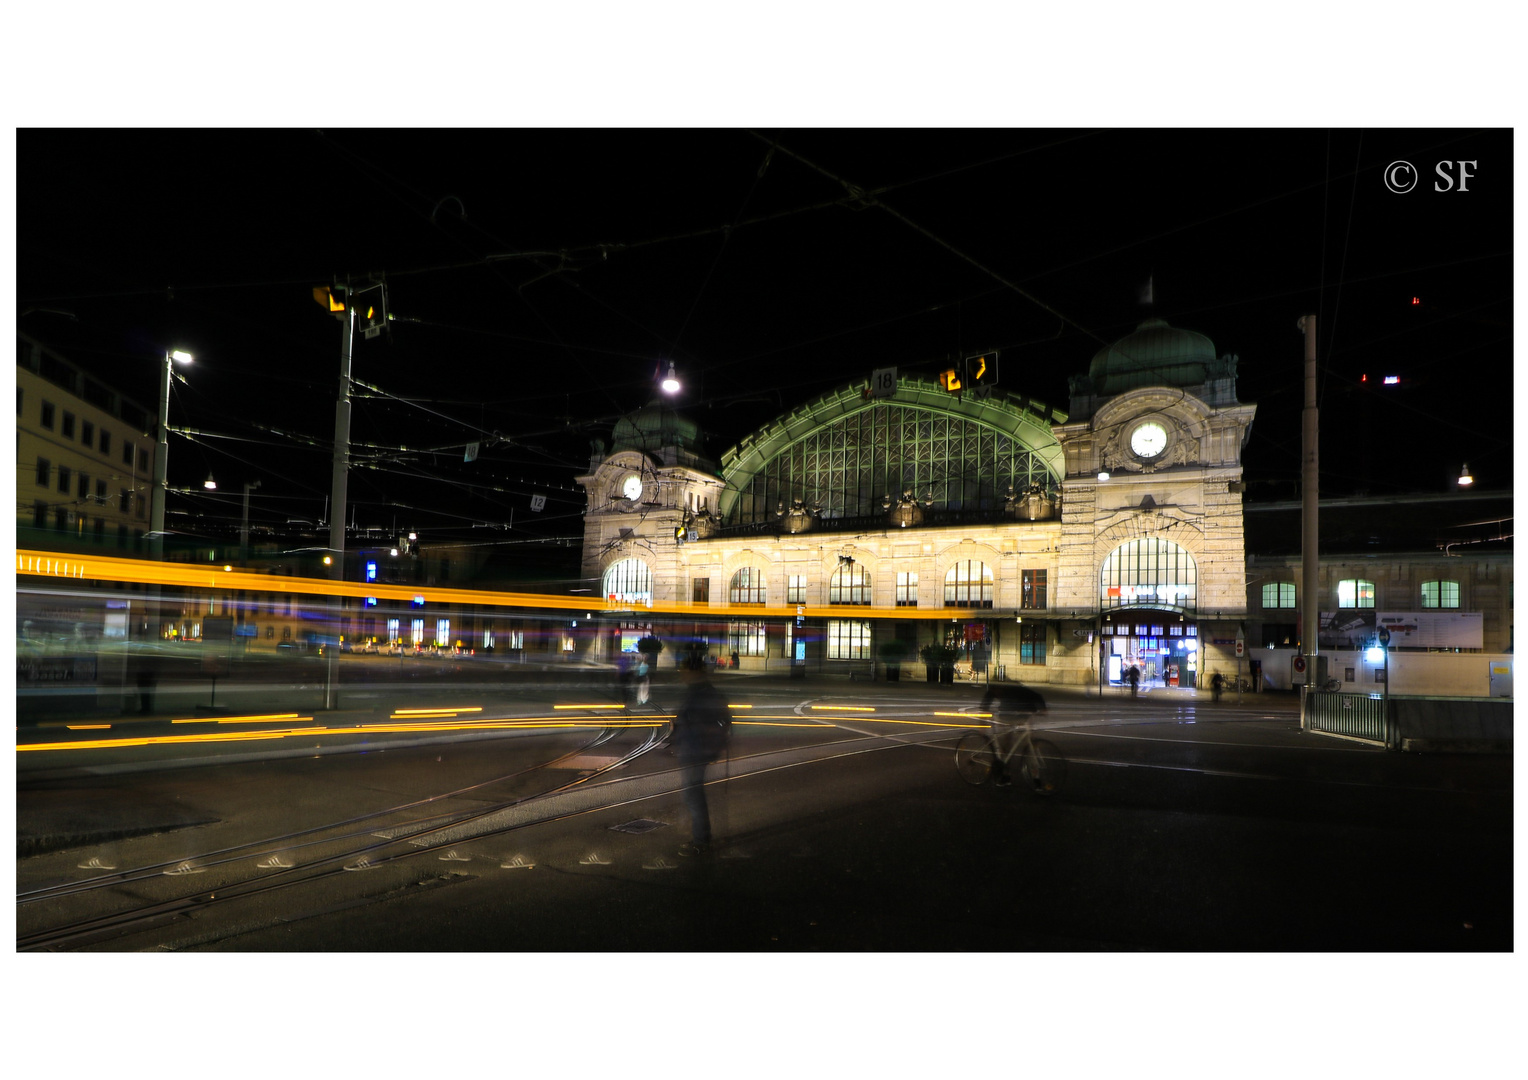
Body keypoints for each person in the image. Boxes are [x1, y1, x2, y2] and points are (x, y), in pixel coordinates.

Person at [671, 650, 733, 855]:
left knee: (693, 795)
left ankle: (701, 840)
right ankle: (701, 837)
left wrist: (685, 727)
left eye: (685, 670)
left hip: (696, 750)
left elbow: (705, 721)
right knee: (693, 794)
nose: (682, 674)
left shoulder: (701, 693)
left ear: (694, 671)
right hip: (695, 749)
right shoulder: (701, 690)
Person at [979, 681, 1046, 787]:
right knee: (1007, 744)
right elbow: (984, 706)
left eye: (998, 692)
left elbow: (1036, 696)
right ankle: (1005, 774)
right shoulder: (994, 691)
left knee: (1029, 744)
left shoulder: (1014, 689)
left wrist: (1042, 709)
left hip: (1023, 714)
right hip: (1010, 716)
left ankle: (1034, 776)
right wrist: (982, 723)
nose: (997, 694)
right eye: (995, 692)